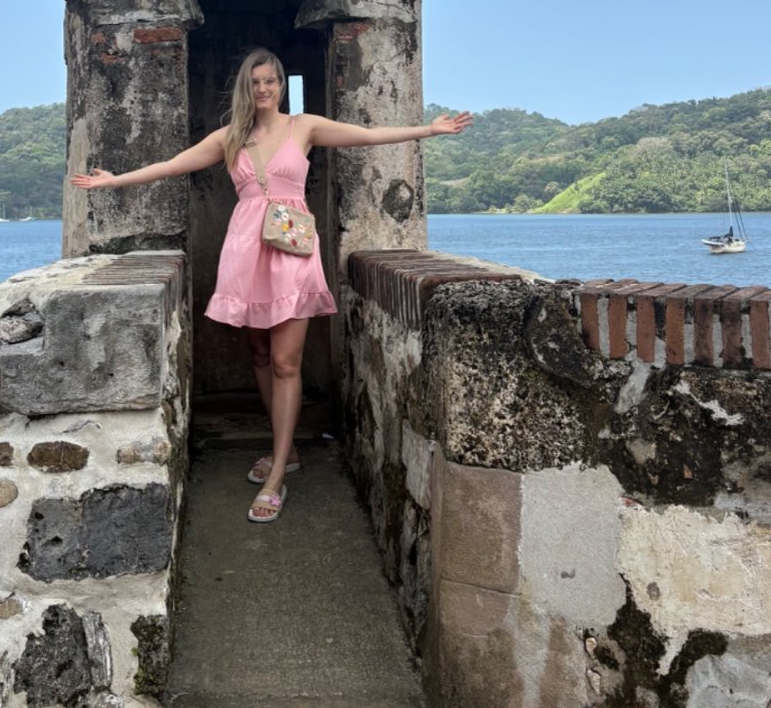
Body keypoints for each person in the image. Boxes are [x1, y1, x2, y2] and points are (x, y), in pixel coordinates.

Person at [71, 48, 472, 524]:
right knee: (260, 356)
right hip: (246, 252)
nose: (263, 88)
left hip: (291, 252)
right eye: (255, 81)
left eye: (271, 81)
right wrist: (115, 181)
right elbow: (176, 164)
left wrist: (428, 130)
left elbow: (366, 136)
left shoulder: (304, 127)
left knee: (285, 362)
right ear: (246, 87)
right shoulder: (230, 136)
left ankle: (277, 473)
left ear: (282, 85)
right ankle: (286, 449)